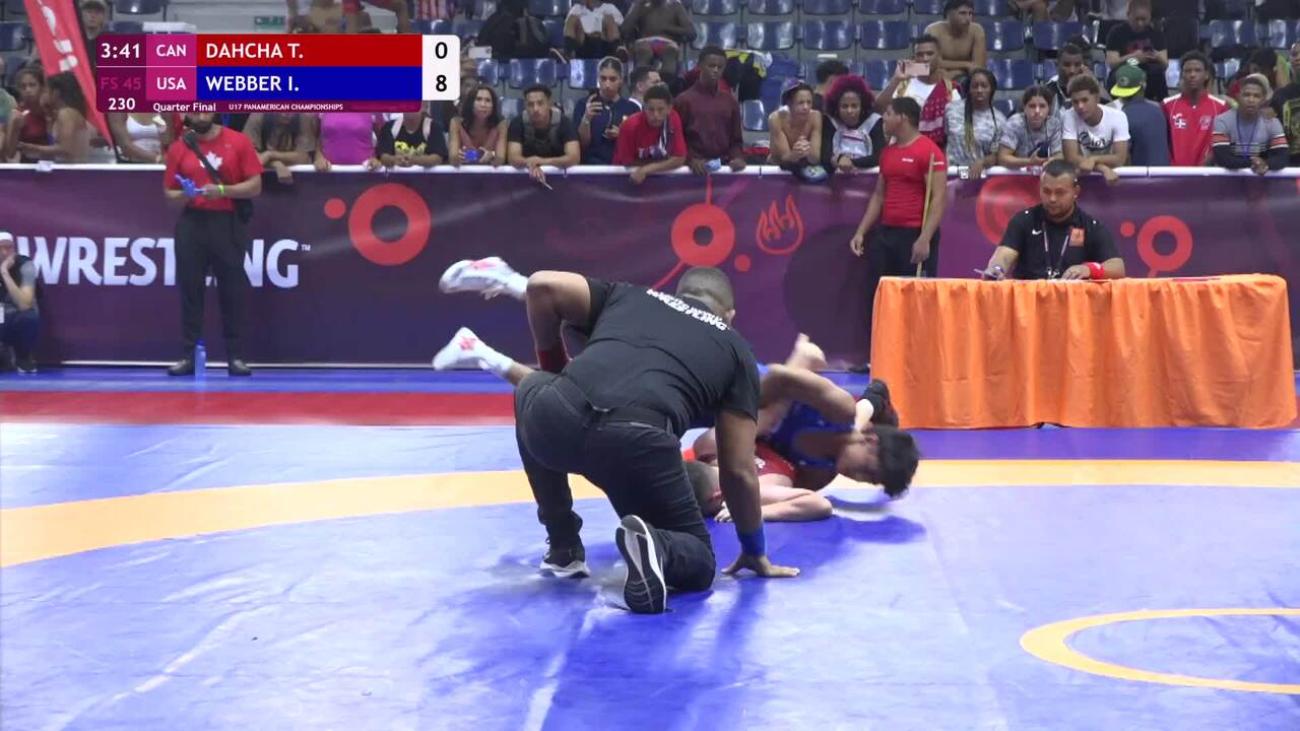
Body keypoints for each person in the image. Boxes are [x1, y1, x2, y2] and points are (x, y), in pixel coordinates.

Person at [435, 257, 799, 614]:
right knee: (700, 563)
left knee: (534, 389)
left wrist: (556, 373)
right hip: (636, 447)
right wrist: (754, 549)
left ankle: (563, 547)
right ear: (730, 315)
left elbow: (542, 285)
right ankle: (656, 546)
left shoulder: (633, 296)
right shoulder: (736, 349)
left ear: (679, 294)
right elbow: (737, 470)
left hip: (556, 419)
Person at [162, 113, 263, 377]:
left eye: (205, 109)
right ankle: (188, 356)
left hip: (227, 222)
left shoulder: (238, 141)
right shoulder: (179, 147)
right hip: (193, 223)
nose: (200, 114)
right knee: (190, 291)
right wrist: (186, 193)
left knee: (232, 291)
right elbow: (169, 193)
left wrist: (222, 191)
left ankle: (235, 356)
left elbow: (255, 186)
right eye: (195, 110)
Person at [850, 97, 948, 288]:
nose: (884, 119)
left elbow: (938, 198)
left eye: (888, 114)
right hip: (886, 232)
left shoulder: (930, 152)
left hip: (914, 233)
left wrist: (925, 238)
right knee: (880, 290)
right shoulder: (887, 152)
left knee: (914, 294)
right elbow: (878, 196)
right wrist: (861, 232)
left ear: (902, 117)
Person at [980, 159, 1125, 281]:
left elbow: (1118, 267)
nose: (1052, 199)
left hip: (1072, 301)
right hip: (1028, 300)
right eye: (1046, 191)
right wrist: (997, 269)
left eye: (1060, 192)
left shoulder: (1091, 226)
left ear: (1076, 192)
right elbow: (1004, 255)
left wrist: (1089, 269)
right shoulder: (1023, 220)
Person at [1211, 75, 1289, 175]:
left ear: (1263, 99)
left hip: (1260, 180)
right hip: (1228, 180)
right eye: (1246, 95)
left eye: (1256, 96)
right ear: (1238, 96)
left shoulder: (1272, 123)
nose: (1251, 100)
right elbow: (1222, 158)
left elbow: (1282, 157)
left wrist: (1266, 163)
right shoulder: (1222, 120)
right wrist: (1255, 163)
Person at [1062, 75, 1129, 185]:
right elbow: (1071, 158)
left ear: (1097, 98)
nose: (1080, 106)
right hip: (1086, 178)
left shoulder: (1118, 117)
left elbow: (1120, 158)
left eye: (1085, 100)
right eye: (1075, 102)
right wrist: (1103, 168)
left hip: (1112, 179)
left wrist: (1093, 159)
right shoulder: (1069, 116)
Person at [1108, 59, 1169, 166]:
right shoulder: (1158, 110)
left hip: (1137, 175)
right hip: (1164, 173)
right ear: (1144, 86)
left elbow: (1121, 158)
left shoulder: (1121, 116)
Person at [0, 231, 39, 374]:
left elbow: (24, 304)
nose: (5, 252)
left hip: (14, 313)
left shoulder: (26, 265)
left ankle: (23, 357)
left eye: (9, 247)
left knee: (29, 315)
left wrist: (4, 272)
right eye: (0, 248)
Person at [998, 86, 1064, 169]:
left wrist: (1050, 161)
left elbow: (1059, 155)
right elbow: (1002, 159)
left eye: (1042, 106)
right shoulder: (1014, 123)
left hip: (1045, 169)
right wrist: (1030, 162)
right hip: (1018, 170)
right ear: (1024, 108)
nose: (1037, 111)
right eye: (1032, 106)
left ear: (1049, 109)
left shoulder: (1054, 124)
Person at [925, 0, 987, 83]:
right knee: (919, 71)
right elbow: (932, 63)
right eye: (962, 13)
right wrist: (966, 65)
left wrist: (954, 74)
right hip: (936, 76)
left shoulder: (977, 30)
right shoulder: (933, 30)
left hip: (964, 78)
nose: (968, 19)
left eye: (970, 13)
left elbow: (978, 67)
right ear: (949, 14)